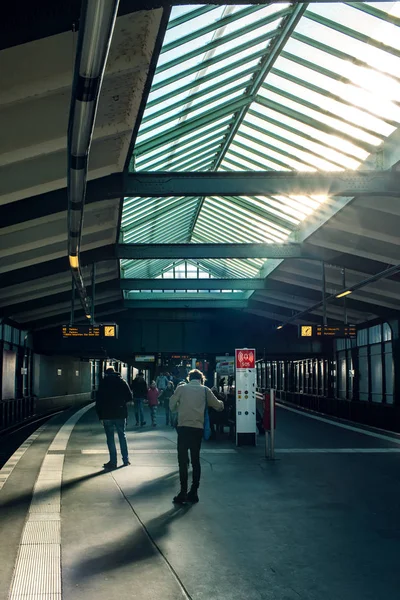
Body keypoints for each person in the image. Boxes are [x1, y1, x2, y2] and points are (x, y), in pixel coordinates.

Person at [169, 369, 224, 504]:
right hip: (197, 429)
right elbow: (218, 406)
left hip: (183, 428)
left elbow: (171, 406)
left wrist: (179, 408)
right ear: (201, 379)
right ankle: (193, 492)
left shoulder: (181, 388)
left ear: (189, 378)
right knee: (195, 460)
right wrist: (222, 402)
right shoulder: (205, 390)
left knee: (182, 461)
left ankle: (182, 492)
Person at [95, 367, 133, 470]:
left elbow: (98, 401)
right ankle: (125, 460)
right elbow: (129, 397)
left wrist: (100, 416)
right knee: (122, 436)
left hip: (107, 415)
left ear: (106, 374)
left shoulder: (103, 383)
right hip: (120, 414)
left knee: (110, 439)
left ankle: (113, 462)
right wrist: (121, 403)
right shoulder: (122, 381)